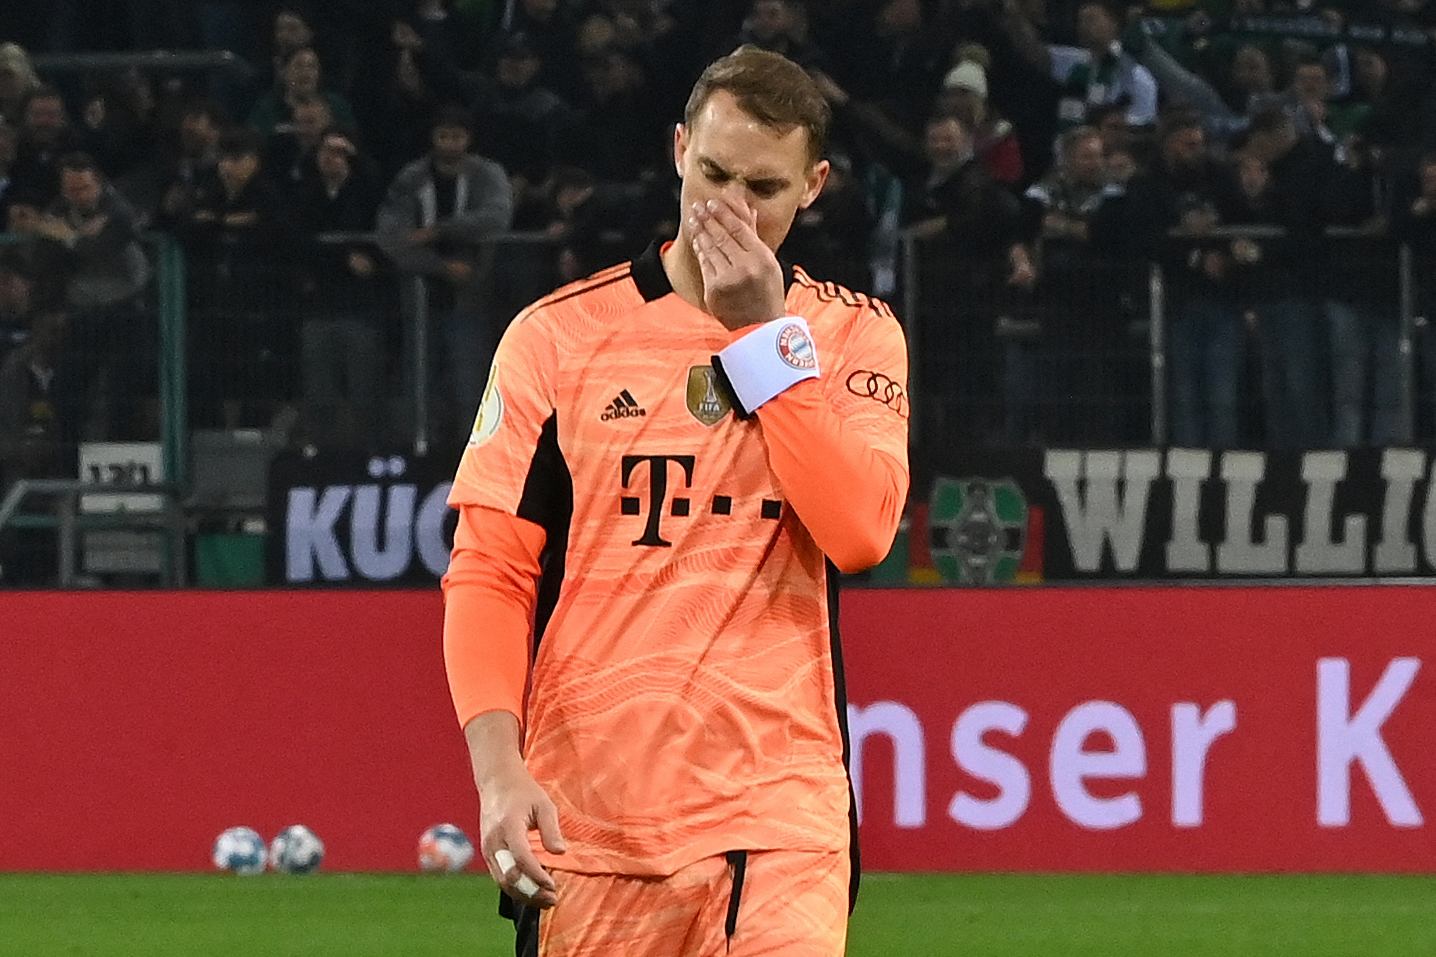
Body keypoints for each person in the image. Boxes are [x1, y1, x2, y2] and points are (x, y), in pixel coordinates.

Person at [441, 45, 908, 957]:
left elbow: (858, 535)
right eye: (714, 174)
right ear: (678, 149)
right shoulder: (557, 339)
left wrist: (764, 341)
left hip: (778, 822)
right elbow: (490, 570)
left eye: (764, 188)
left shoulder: (852, 336)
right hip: (593, 826)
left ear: (813, 186)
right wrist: (498, 774)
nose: (730, 209)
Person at [375, 105, 512, 438]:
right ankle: (422, 452)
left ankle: (475, 455)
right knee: (420, 382)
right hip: (420, 294)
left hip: (472, 294)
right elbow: (392, 235)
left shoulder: (487, 173)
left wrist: (439, 232)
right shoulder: (412, 177)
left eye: (457, 136)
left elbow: (497, 216)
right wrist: (440, 266)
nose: (450, 143)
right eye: (443, 136)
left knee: (471, 381)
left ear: (468, 138)